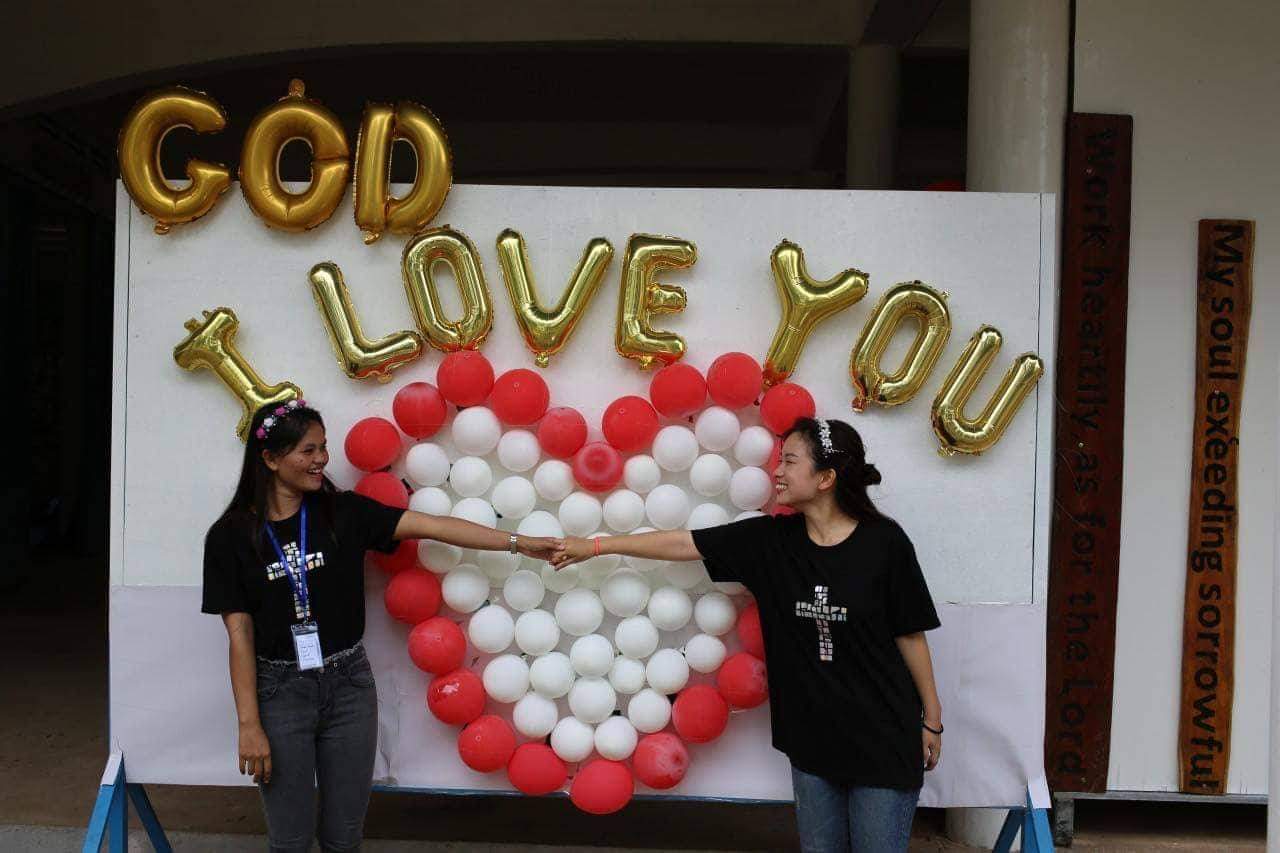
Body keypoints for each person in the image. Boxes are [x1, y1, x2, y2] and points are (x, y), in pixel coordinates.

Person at [553, 417, 942, 853]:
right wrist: (597, 546)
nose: (777, 471)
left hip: (883, 736)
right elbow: (683, 543)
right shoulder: (770, 542)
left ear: (826, 478)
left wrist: (932, 718)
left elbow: (910, 633)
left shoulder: (885, 544)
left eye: (790, 461)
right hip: (812, 738)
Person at [201, 400, 558, 853]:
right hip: (279, 692)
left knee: (344, 837)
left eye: (323, 447)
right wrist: (249, 725)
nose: (321, 460)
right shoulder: (230, 537)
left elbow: (433, 526)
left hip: (349, 686)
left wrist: (519, 543)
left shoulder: (343, 512)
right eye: (308, 451)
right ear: (270, 459)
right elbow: (239, 635)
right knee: (290, 840)